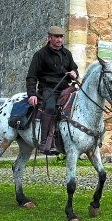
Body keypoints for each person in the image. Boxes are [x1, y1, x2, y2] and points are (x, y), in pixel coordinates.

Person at [26, 26, 78, 154]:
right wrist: (32, 94)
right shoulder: (40, 54)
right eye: (56, 37)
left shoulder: (67, 54)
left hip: (66, 88)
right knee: (50, 107)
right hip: (48, 88)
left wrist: (74, 73)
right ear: (49, 38)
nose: (59, 40)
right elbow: (31, 76)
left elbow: (74, 69)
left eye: (61, 37)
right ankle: (44, 142)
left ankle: (76, 140)